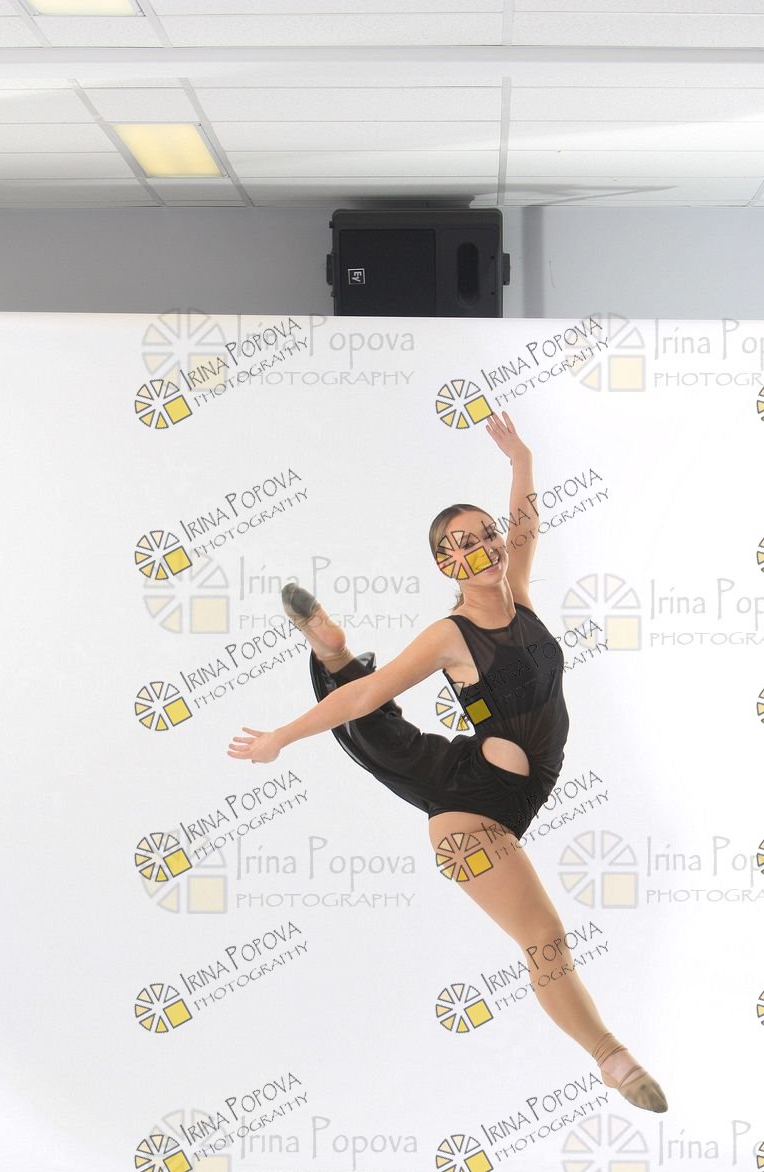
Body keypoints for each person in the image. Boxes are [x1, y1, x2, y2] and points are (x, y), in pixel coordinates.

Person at [227, 412, 667, 1112]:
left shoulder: (521, 596)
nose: (484, 547)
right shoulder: (448, 634)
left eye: (486, 534)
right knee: (545, 939)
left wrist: (521, 458)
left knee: (396, 743)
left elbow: (526, 527)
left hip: (489, 780)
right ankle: (614, 1060)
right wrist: (280, 736)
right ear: (444, 565)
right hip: (470, 815)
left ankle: (333, 651)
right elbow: (368, 697)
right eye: (462, 545)